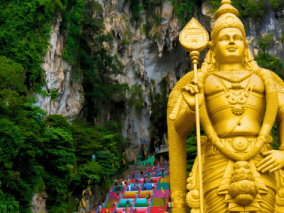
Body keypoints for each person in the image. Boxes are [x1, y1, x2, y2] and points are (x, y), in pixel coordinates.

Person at [168, 0, 284, 212]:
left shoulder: (265, 79)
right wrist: (193, 108)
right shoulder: (200, 80)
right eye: (224, 38)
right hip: (217, 159)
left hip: (261, 159)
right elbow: (179, 128)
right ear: (212, 46)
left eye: (237, 38)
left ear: (246, 44)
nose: (232, 42)